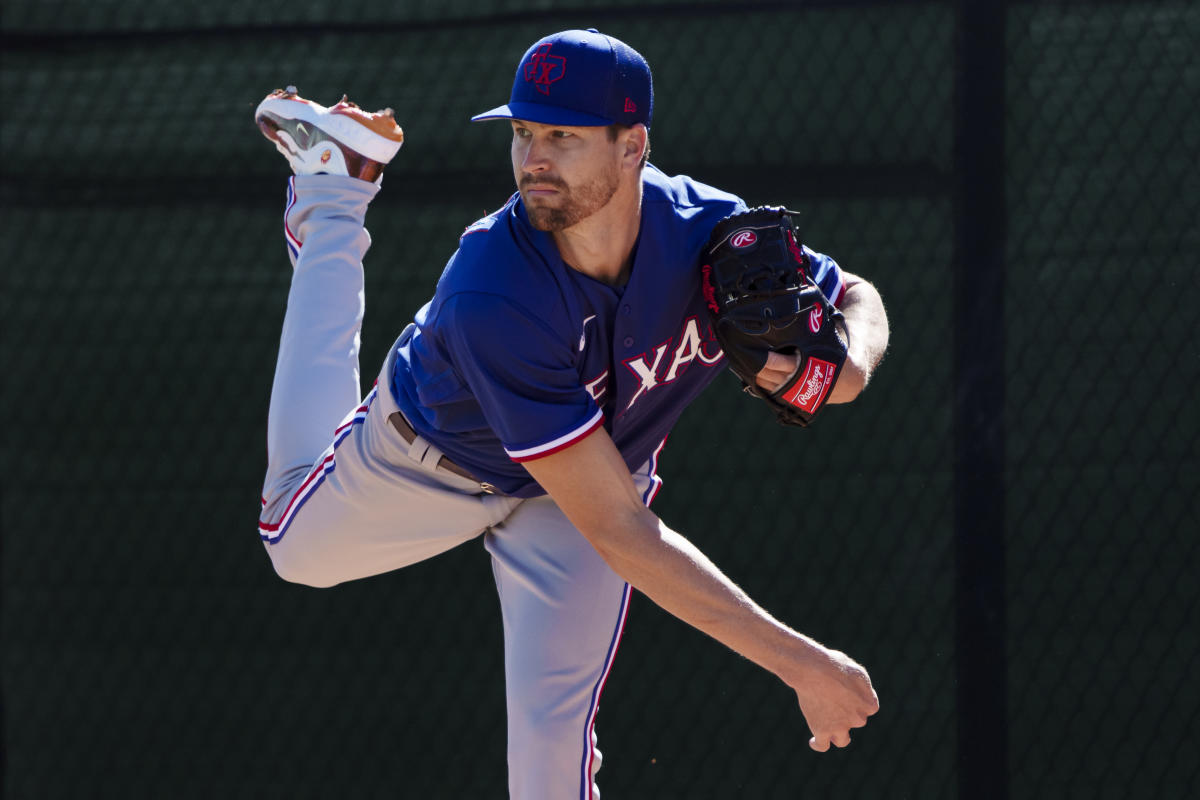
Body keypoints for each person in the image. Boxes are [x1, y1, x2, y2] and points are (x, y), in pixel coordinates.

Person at [254, 28, 888, 800]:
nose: (534, 158)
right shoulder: (491, 290)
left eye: (562, 134)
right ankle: (333, 193)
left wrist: (845, 361)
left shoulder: (706, 231)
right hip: (430, 463)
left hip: (589, 481)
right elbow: (621, 530)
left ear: (633, 146)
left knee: (556, 736)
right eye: (522, 132)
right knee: (294, 547)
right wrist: (800, 663)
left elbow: (855, 292)